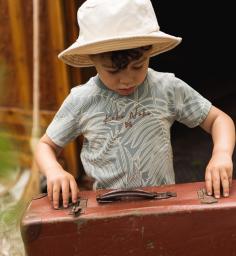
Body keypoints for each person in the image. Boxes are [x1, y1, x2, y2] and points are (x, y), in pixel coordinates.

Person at [35, 0, 235, 209]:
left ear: (149, 52)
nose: (126, 80)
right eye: (112, 71)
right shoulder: (82, 100)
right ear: (92, 59)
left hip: (163, 205)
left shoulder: (166, 88)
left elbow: (219, 119)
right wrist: (54, 171)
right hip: (106, 211)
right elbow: (45, 145)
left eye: (138, 66)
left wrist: (221, 153)